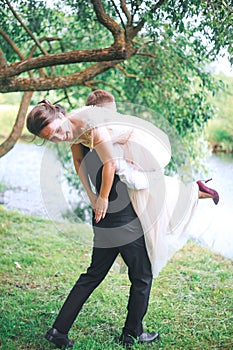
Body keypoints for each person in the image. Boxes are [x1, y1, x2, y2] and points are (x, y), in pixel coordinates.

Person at [26, 91, 219, 348]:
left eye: (58, 131)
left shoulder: (90, 124)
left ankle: (58, 330)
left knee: (93, 274)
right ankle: (132, 333)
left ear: (61, 115)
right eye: (52, 138)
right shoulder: (75, 129)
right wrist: (95, 197)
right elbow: (87, 161)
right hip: (119, 218)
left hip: (108, 215)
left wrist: (102, 198)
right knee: (142, 276)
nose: (61, 137)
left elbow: (110, 163)